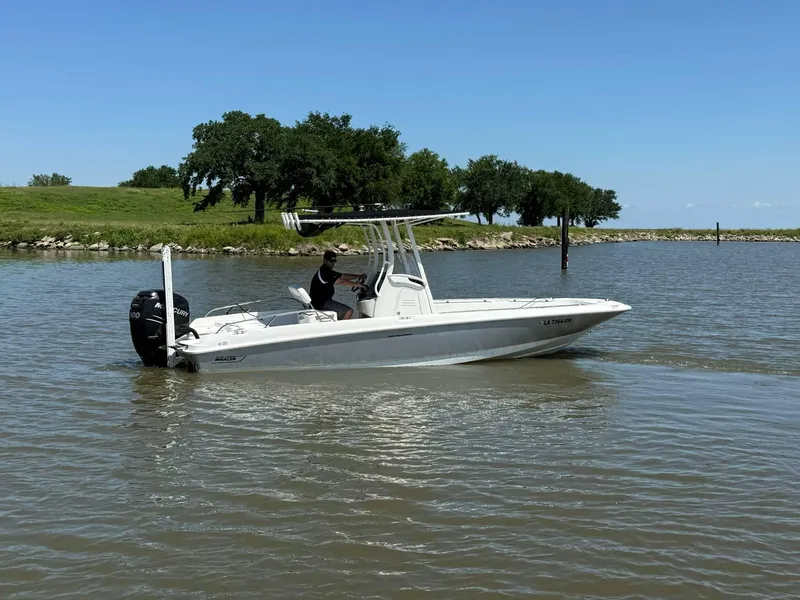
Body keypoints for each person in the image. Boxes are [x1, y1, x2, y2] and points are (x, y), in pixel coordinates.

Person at [309, 250, 366, 320]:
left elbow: (342, 276)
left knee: (342, 311)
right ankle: (342, 329)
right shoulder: (325, 272)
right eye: (331, 261)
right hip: (321, 303)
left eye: (334, 261)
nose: (333, 263)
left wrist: (359, 276)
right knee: (348, 311)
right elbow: (341, 281)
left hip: (320, 301)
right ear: (325, 261)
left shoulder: (325, 270)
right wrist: (359, 285)